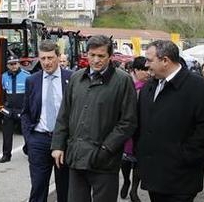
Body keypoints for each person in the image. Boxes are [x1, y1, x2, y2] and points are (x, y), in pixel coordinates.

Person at [50, 35, 138, 202]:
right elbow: (64, 115)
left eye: (101, 56)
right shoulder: (77, 78)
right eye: (92, 55)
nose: (96, 60)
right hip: (76, 157)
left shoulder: (122, 81)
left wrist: (106, 149)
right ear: (87, 54)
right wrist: (58, 145)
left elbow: (128, 121)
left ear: (110, 56)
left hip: (105, 161)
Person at [136, 40, 204, 202]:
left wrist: (183, 157)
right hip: (154, 175)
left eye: (149, 60)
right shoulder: (149, 87)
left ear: (165, 61)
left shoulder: (200, 88)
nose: (146, 65)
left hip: (181, 179)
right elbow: (143, 125)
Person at [21, 40, 72, 202]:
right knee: (38, 187)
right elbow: (26, 112)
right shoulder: (32, 81)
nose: (46, 62)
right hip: (39, 139)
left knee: (65, 187)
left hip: (64, 141)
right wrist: (29, 139)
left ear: (58, 57)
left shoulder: (72, 78)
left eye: (50, 58)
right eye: (43, 59)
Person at [120, 56, 150, 202]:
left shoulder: (151, 86)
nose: (147, 73)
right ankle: (126, 181)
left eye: (148, 69)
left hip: (143, 129)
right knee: (125, 160)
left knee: (139, 161)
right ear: (135, 70)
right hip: (127, 128)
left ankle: (134, 190)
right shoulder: (127, 84)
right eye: (144, 70)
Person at [0, 55, 30, 163]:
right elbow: (2, 92)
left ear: (19, 63)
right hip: (9, 110)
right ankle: (6, 155)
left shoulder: (26, 76)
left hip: (22, 109)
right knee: (7, 134)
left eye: (15, 63)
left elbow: (30, 94)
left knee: (27, 133)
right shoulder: (4, 76)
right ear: (7, 65)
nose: (13, 66)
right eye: (11, 64)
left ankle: (29, 151)